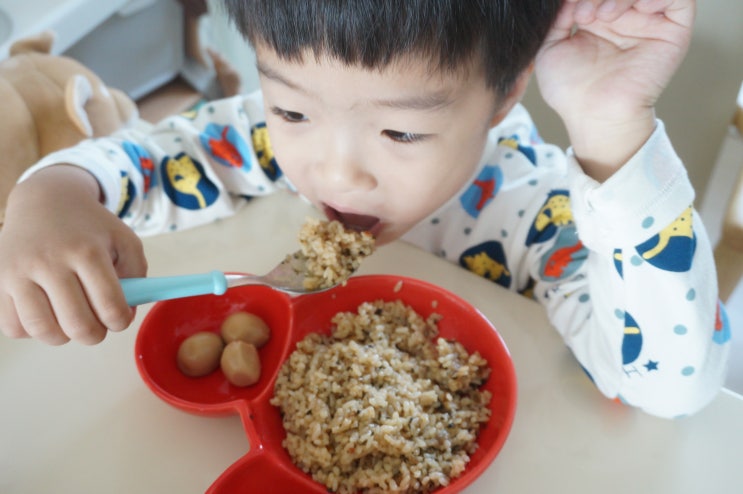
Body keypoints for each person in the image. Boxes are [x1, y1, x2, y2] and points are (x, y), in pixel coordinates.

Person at [0, 0, 729, 418]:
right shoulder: (259, 136)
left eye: (400, 131)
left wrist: (610, 133)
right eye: (291, 107)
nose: (333, 169)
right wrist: (54, 194)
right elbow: (149, 159)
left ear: (505, 92)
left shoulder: (539, 215)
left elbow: (671, 384)